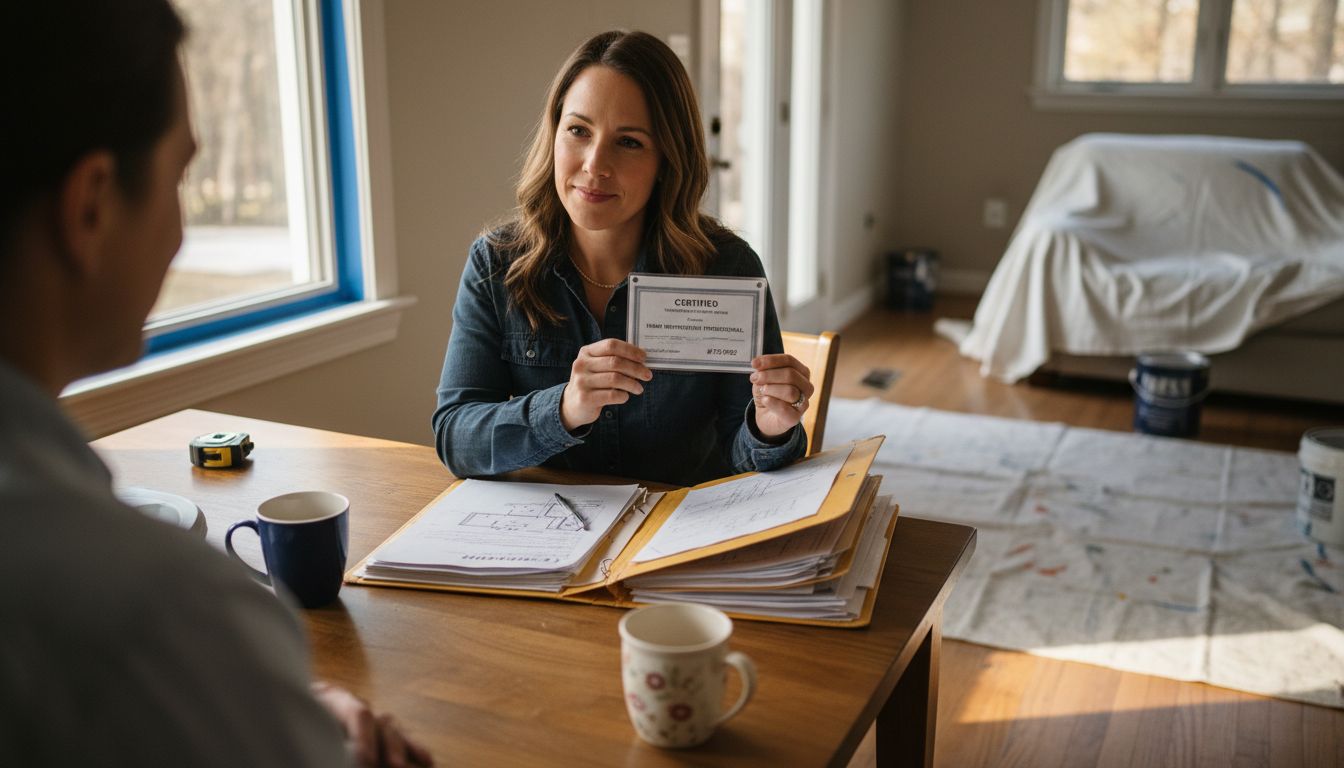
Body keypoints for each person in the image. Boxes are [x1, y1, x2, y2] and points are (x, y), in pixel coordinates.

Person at [0, 3, 430, 765]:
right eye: (180, 176)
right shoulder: (165, 610)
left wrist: (247, 701)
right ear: (91, 206)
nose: (181, 233)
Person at [433, 30, 814, 487]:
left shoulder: (727, 268)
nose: (595, 164)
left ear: (666, 161)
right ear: (554, 135)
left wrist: (769, 429)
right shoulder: (496, 264)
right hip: (552, 523)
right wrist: (564, 408)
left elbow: (745, 457)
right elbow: (456, 438)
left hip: (685, 520)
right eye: (578, 131)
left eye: (629, 142)